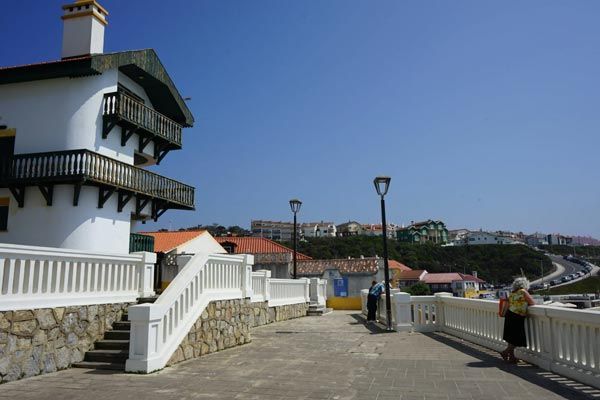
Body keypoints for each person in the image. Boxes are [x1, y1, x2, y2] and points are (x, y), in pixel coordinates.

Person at [500, 277, 535, 363]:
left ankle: (512, 357)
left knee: (511, 337)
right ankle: (505, 352)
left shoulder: (512, 293)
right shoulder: (523, 292)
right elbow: (532, 303)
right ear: (525, 284)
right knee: (517, 338)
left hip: (510, 315)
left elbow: (509, 304)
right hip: (517, 316)